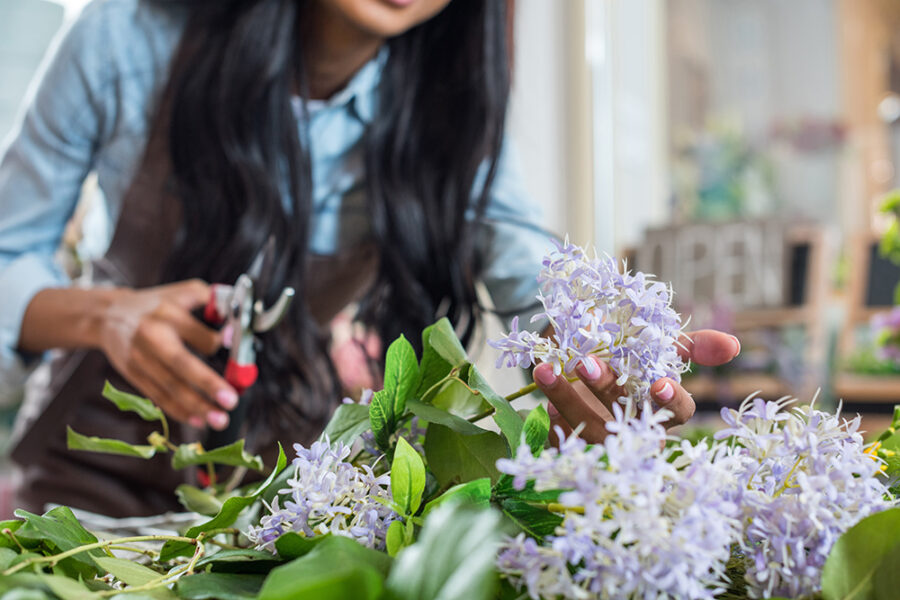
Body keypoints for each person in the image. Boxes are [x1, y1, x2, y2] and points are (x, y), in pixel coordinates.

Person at [0, 0, 740, 517]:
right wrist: (107, 315)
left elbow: (531, 277)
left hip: (290, 491)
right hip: (89, 473)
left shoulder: (449, 103)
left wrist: (606, 358)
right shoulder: (126, 40)